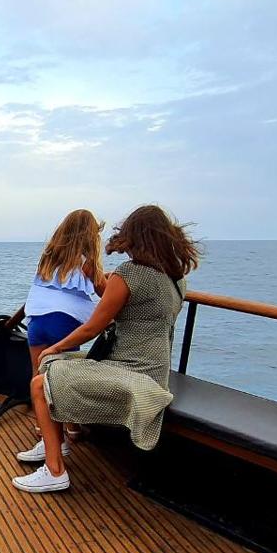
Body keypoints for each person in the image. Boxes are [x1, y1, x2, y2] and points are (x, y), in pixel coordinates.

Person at [13, 205, 200, 493]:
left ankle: (54, 471)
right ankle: (56, 443)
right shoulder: (177, 281)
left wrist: (55, 348)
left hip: (127, 368)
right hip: (155, 371)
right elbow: (127, 303)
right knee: (53, 366)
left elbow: (93, 327)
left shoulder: (130, 274)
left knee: (41, 381)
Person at [19, 208, 108, 462]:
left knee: (38, 375)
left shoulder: (47, 258)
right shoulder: (88, 264)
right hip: (64, 323)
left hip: (37, 321)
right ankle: (72, 427)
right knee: (62, 380)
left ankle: (43, 431)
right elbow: (104, 291)